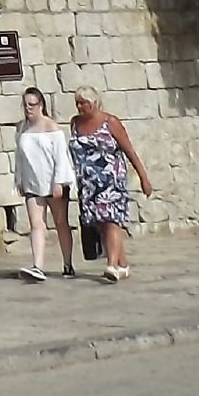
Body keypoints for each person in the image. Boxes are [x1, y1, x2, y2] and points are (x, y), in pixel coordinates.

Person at [70, 88, 153, 282]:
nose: (80, 106)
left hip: (111, 180)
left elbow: (130, 151)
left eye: (84, 102)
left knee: (111, 220)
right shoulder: (75, 123)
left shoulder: (110, 122)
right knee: (101, 223)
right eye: (77, 103)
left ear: (94, 102)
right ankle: (123, 265)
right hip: (88, 183)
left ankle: (112, 265)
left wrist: (143, 178)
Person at [14, 86, 76, 280]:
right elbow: (19, 156)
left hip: (52, 182)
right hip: (32, 183)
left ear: (40, 105)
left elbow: (61, 158)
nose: (28, 109)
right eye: (25, 105)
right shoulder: (22, 128)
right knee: (36, 224)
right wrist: (19, 179)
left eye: (32, 104)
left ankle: (67, 264)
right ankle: (37, 266)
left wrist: (59, 182)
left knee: (60, 223)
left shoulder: (52, 128)